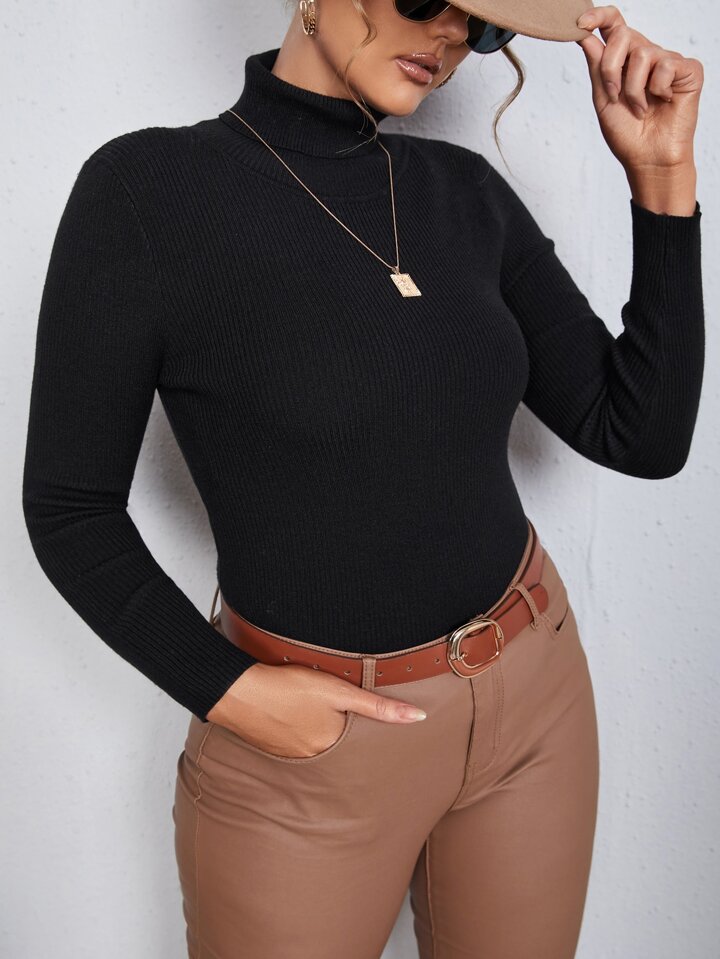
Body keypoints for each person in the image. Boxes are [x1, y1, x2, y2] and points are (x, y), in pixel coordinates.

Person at [22, 1, 704, 957]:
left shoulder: (464, 194)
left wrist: (663, 177)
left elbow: (640, 434)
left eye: (486, 26)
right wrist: (229, 689)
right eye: (429, 0)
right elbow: (70, 508)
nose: (451, 38)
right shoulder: (147, 193)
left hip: (533, 701)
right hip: (310, 757)